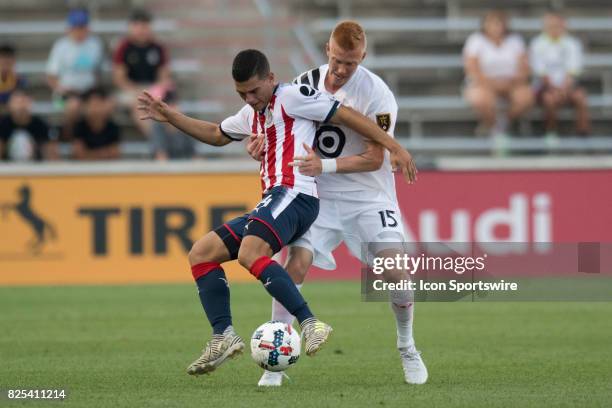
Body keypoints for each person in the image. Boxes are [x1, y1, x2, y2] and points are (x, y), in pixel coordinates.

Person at [137, 49, 417, 377]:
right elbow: (215, 135)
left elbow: (346, 116)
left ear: (271, 78)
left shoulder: (293, 96)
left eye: (254, 90)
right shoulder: (252, 112)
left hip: (296, 193)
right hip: (274, 197)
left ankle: (311, 323)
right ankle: (223, 335)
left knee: (250, 252)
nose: (249, 98)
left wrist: (394, 146)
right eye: (242, 93)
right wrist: (171, 116)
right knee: (201, 254)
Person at [247, 21, 428, 387]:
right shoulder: (302, 85)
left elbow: (375, 158)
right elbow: (278, 133)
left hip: (368, 196)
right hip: (319, 197)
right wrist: (260, 147)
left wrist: (325, 164)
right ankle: (275, 361)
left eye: (351, 62)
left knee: (396, 270)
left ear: (362, 56)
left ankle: (407, 345)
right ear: (328, 48)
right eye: (338, 59)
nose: (342, 69)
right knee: (294, 265)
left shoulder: (377, 94)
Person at [463, 10, 533, 141]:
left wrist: (511, 81)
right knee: (480, 99)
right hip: (483, 83)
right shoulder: (476, 40)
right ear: (484, 24)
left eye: (499, 23)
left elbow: (524, 67)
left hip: (512, 83)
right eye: (492, 23)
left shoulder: (515, 40)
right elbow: (472, 68)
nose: (496, 26)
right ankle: (495, 128)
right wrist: (493, 83)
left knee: (525, 97)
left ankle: (501, 124)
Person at [530, 11, 591, 140]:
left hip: (567, 86)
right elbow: (541, 73)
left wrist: (564, 89)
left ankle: (583, 134)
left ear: (564, 25)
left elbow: (573, 71)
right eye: (550, 25)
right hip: (546, 87)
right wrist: (555, 89)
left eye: (557, 25)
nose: (554, 28)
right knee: (550, 100)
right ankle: (550, 133)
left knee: (581, 97)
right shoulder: (537, 44)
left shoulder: (572, 43)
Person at [46, 8, 105, 140]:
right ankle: (71, 137)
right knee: (73, 106)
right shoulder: (61, 46)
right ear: (70, 28)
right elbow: (51, 76)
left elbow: (97, 72)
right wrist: (60, 88)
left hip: (88, 91)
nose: (79, 31)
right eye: (76, 27)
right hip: (65, 93)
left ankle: (90, 141)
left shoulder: (95, 44)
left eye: (82, 27)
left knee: (98, 108)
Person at [113, 8, 171, 136]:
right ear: (130, 27)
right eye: (137, 26)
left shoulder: (158, 48)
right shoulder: (124, 48)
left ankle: (170, 145)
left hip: (153, 89)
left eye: (144, 26)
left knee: (172, 109)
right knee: (139, 107)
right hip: (131, 90)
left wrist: (156, 90)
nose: (141, 30)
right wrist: (137, 91)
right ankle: (159, 144)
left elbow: (164, 76)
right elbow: (119, 78)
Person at [0, 89, 57, 161]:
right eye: (17, 102)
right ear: (9, 105)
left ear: (30, 103)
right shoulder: (3, 125)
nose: (21, 106)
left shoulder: (40, 125)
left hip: (35, 168)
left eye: (24, 101)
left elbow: (52, 156)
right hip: (8, 169)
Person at [72, 87, 121, 160]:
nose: (95, 109)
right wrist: (103, 154)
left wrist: (89, 154)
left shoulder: (112, 126)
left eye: (98, 104)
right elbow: (78, 154)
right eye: (92, 105)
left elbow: (115, 153)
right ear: (85, 106)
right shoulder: (79, 126)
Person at [149, 89, 197, 160]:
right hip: (167, 168)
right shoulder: (158, 126)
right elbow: (160, 155)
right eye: (170, 105)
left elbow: (194, 155)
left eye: (175, 104)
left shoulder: (186, 124)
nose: (174, 108)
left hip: (185, 166)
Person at [0, 44, 27, 109]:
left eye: (8, 57)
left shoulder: (20, 80)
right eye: (3, 57)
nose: (6, 61)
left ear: (14, 60)